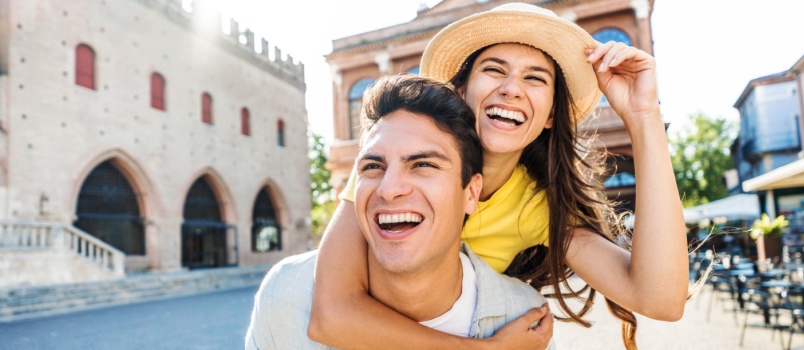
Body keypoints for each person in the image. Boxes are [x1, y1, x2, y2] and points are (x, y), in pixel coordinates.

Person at [309, 3, 689, 349]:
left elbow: (661, 300)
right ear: (461, 90)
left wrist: (644, 118)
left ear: (551, 115)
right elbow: (330, 316)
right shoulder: (392, 168)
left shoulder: (537, 207)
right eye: (494, 70)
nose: (511, 90)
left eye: (535, 79)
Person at [245, 75, 555, 349]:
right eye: (373, 167)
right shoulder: (285, 295)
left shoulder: (525, 320)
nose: (389, 188)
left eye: (423, 164)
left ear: (471, 192)